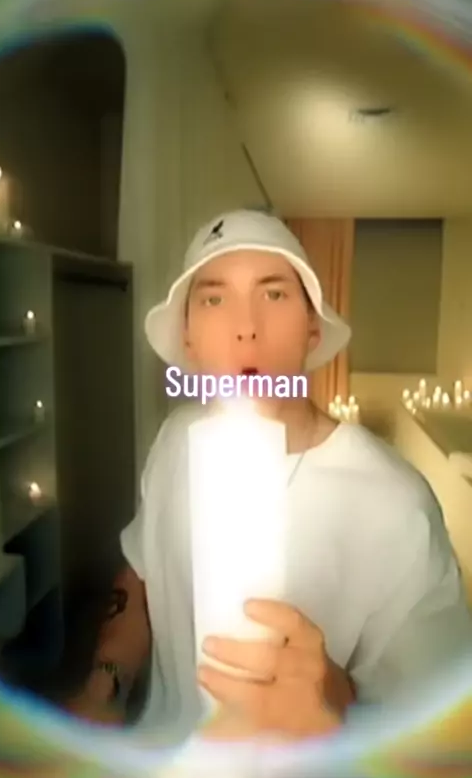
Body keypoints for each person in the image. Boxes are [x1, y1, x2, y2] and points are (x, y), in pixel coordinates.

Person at [68, 209, 472, 745]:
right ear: (188, 338)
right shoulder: (174, 441)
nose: (246, 327)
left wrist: (338, 702)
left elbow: (440, 738)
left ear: (312, 327)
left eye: (275, 294)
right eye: (214, 299)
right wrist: (103, 688)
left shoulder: (396, 505)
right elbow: (144, 570)